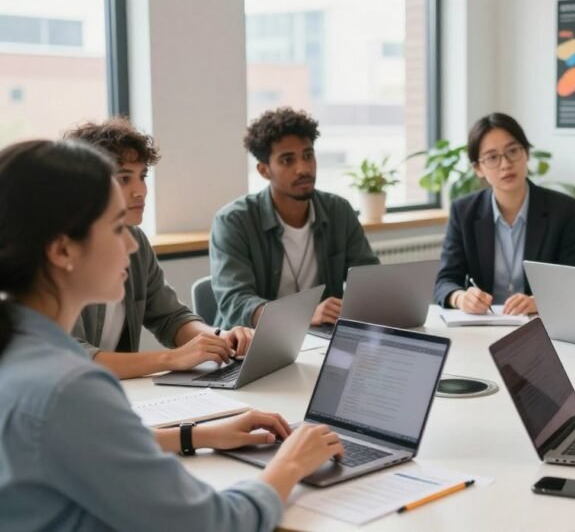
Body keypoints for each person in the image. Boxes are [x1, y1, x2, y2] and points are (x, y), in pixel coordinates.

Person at [0, 139, 344, 531]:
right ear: (62, 250)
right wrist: (291, 464)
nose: (130, 243)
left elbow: (86, 446)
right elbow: (212, 524)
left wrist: (196, 435)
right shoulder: (70, 388)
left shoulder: (20, 352)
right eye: (116, 228)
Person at [64, 118, 254, 379]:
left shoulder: (136, 241)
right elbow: (70, 358)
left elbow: (170, 317)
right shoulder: (59, 253)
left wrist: (219, 338)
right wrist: (172, 359)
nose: (140, 191)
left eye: (142, 176)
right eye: (124, 178)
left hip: (112, 394)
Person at [210, 107, 380, 328]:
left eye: (308, 156)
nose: (303, 169)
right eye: (287, 160)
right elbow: (236, 302)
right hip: (256, 343)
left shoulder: (338, 210)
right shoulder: (233, 221)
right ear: (264, 170)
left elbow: (370, 281)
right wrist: (302, 317)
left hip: (322, 337)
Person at [434, 112, 575, 315]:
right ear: (478, 168)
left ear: (527, 154)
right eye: (492, 158)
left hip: (536, 322)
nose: (505, 164)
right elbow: (445, 281)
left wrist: (537, 301)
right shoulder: (464, 212)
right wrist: (461, 298)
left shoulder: (562, 210)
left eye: (513, 151)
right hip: (483, 323)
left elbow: (574, 281)